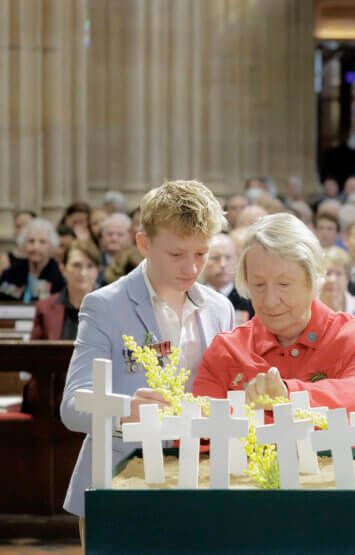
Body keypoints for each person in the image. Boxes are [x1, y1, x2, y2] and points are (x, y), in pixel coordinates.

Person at [60, 180, 235, 525]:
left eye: (201, 254)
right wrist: (128, 409)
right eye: (176, 254)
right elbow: (71, 407)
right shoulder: (105, 305)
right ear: (143, 243)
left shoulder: (221, 308)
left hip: (200, 481)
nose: (191, 269)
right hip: (120, 479)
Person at [193, 213, 355, 413]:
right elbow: (198, 434)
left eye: (284, 284)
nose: (270, 301)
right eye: (258, 285)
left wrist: (287, 395)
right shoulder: (226, 350)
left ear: (312, 280)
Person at [21, 239, 102, 415]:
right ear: (63, 269)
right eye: (77, 265)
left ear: (97, 271)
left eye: (90, 266)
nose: (83, 273)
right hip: (53, 392)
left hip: (97, 391)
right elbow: (33, 357)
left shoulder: (109, 307)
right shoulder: (45, 307)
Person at [0, 218, 66, 302]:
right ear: (23, 245)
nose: (36, 247)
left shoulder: (59, 275)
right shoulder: (11, 273)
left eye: (42, 242)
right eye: (31, 241)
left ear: (51, 246)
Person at [203, 233, 255, 323]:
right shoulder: (194, 297)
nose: (223, 264)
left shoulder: (247, 298)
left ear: (237, 260)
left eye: (228, 258)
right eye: (215, 258)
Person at [97, 213, 133, 280]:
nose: (114, 238)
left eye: (120, 234)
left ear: (129, 237)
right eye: (110, 234)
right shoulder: (95, 261)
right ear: (102, 237)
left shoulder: (137, 264)